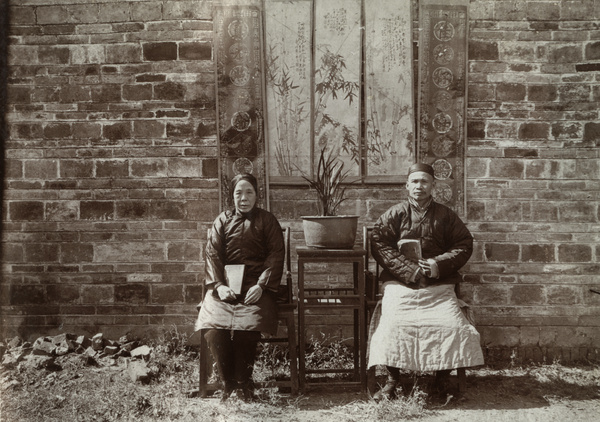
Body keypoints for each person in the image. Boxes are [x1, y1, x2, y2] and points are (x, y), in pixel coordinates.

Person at [368, 163, 484, 401]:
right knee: (392, 325)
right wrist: (409, 270)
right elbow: (379, 243)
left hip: (437, 286)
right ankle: (393, 380)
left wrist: (437, 265)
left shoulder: (446, 216)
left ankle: (441, 380)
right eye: (415, 181)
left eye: (424, 181)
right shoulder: (394, 214)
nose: (419, 186)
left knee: (452, 326)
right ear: (407, 186)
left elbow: (464, 244)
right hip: (401, 285)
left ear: (433, 186)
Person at [195, 173, 284, 401]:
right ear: (231, 196)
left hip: (256, 288)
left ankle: (244, 384)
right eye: (238, 193)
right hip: (225, 288)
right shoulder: (222, 221)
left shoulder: (268, 221)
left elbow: (275, 255)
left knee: (247, 330)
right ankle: (227, 384)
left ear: (256, 195)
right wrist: (218, 286)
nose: (243, 198)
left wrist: (262, 285)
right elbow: (212, 255)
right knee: (214, 330)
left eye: (249, 192)